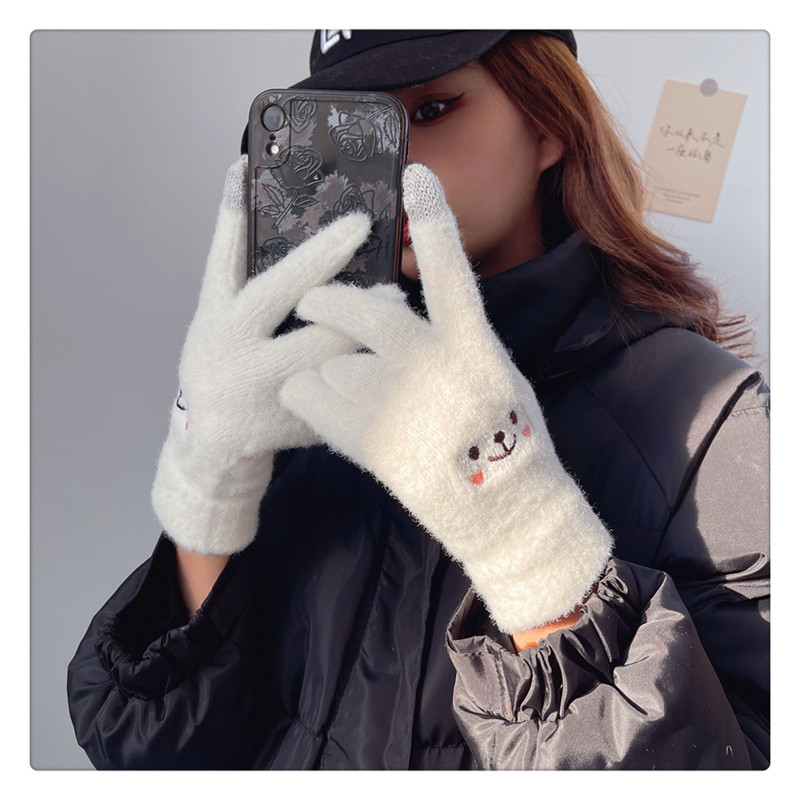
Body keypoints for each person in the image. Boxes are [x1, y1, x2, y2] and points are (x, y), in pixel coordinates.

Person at [66, 30, 769, 770]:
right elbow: (163, 754)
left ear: (549, 124)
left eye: (431, 109)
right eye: (355, 129)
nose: (391, 162)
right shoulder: (304, 381)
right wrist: (205, 484)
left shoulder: (714, 417)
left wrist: (530, 544)